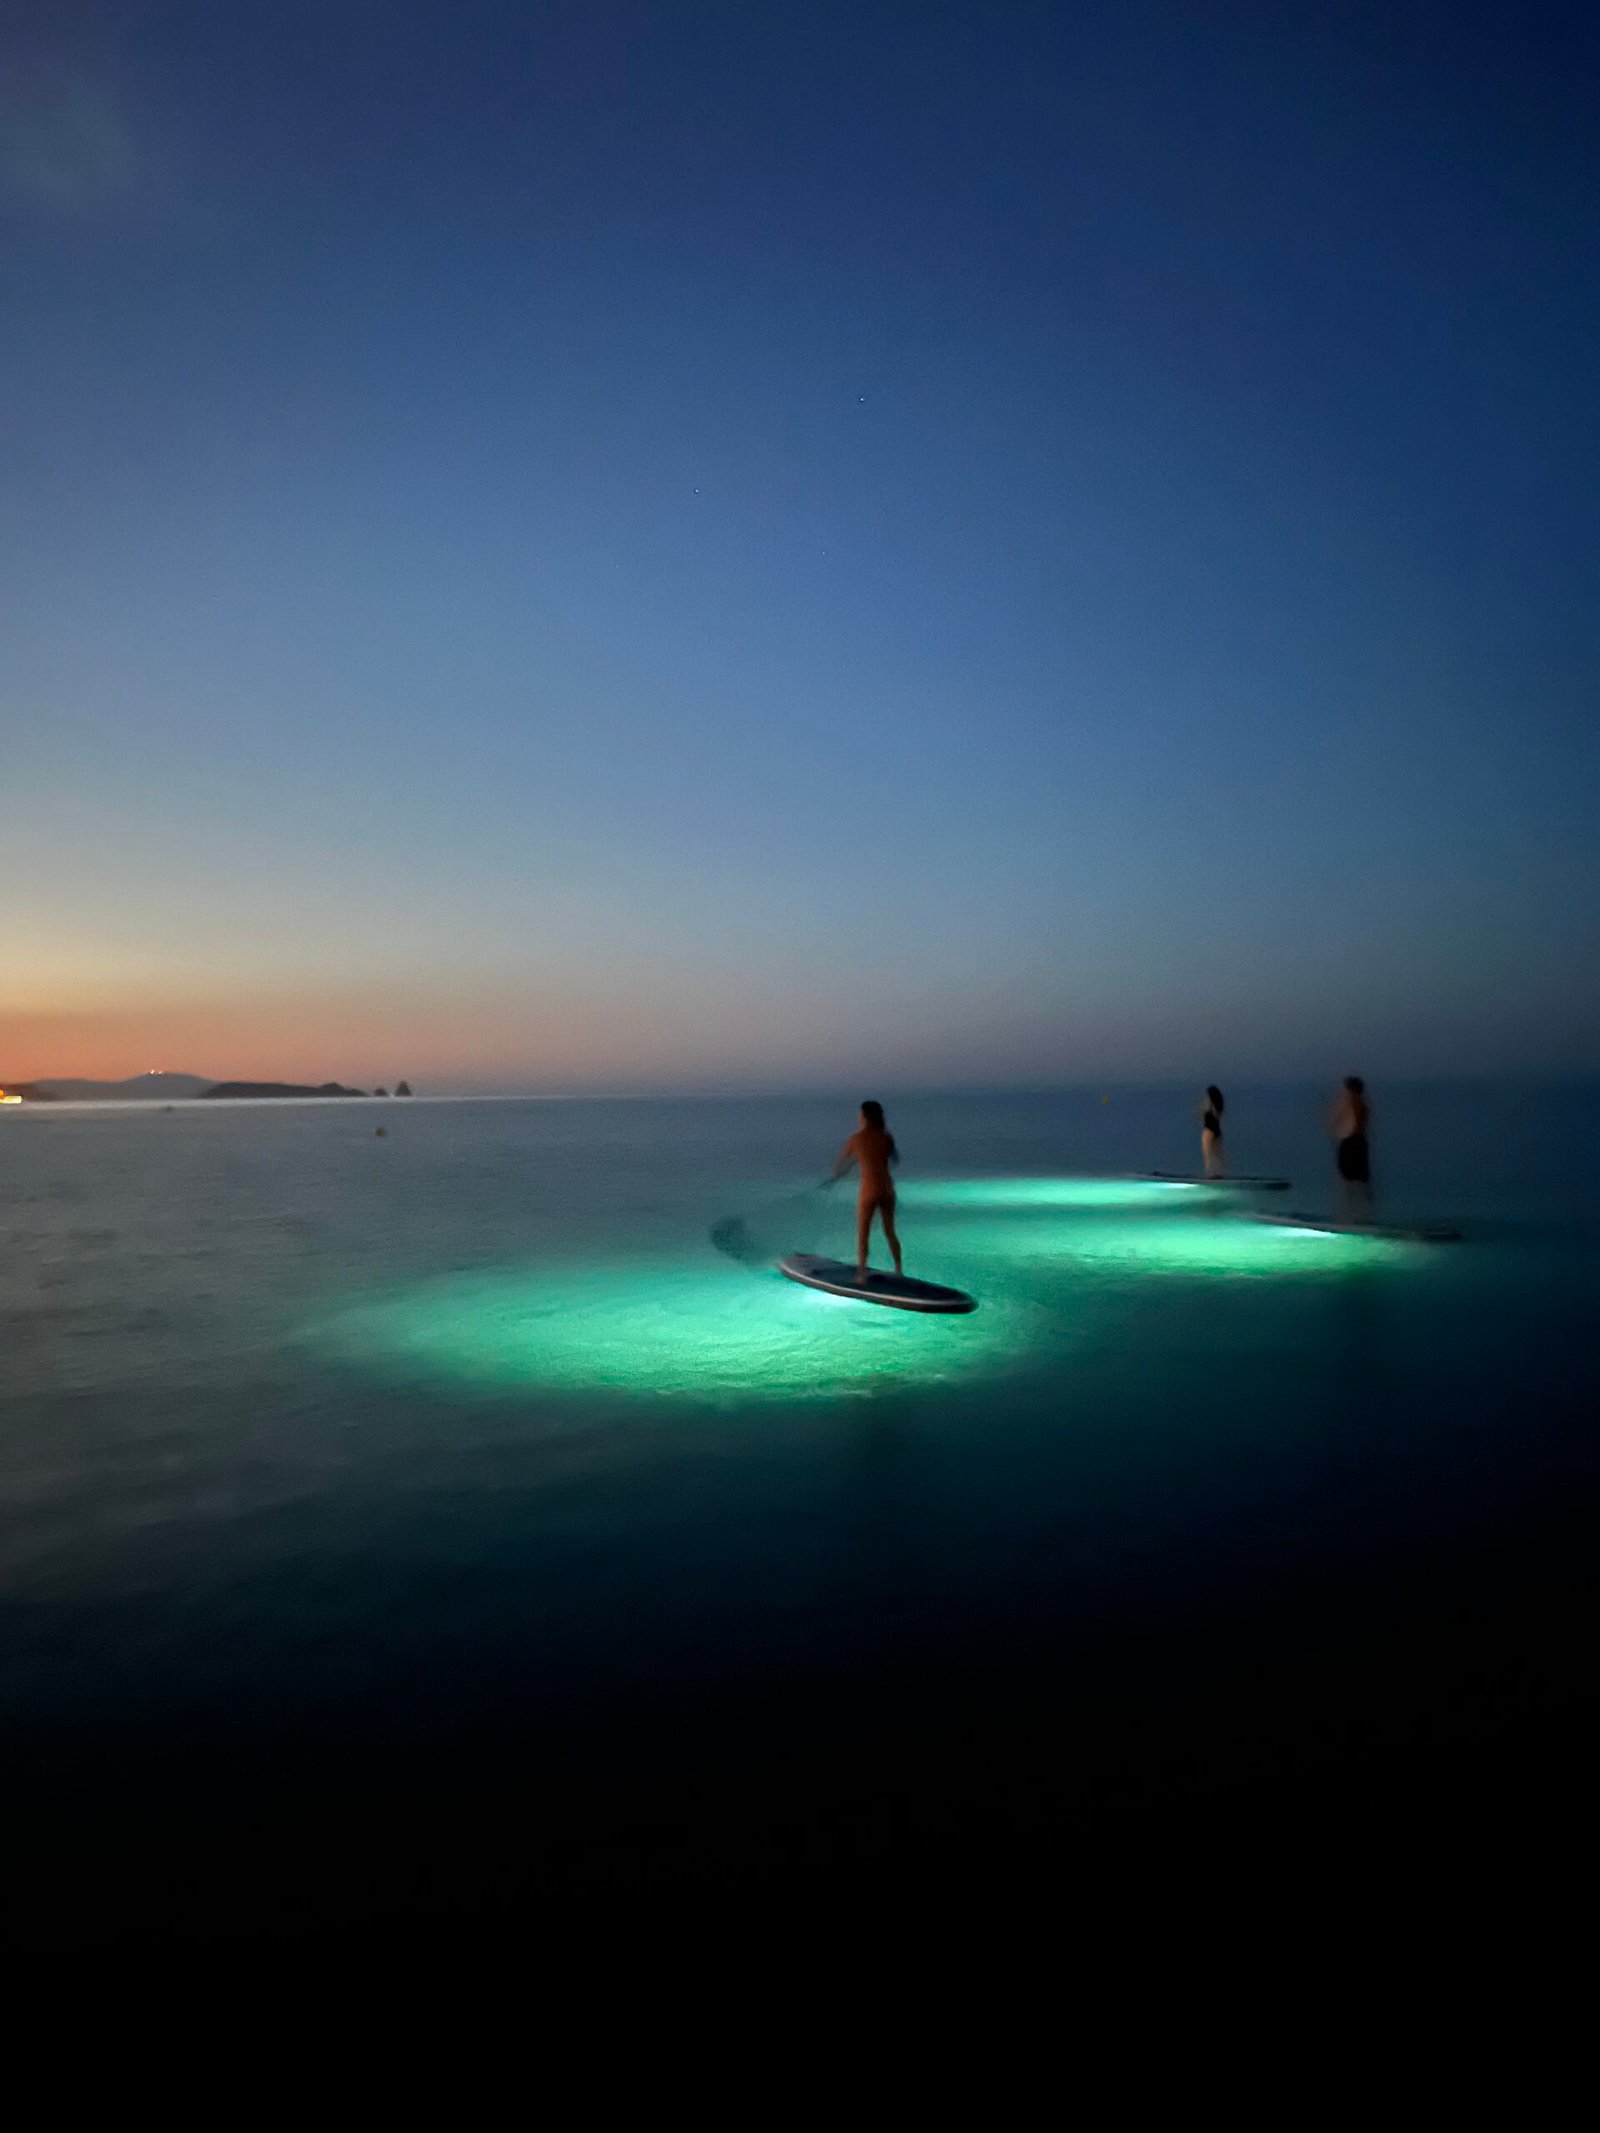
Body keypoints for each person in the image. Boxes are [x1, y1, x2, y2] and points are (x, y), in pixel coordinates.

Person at [827, 1100, 902, 1282]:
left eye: (860, 1114)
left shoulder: (856, 1139)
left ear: (865, 1117)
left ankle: (861, 1274)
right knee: (890, 1231)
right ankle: (898, 1270)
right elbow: (893, 1159)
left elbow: (840, 1167)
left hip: (869, 1191)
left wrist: (837, 1175)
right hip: (887, 1190)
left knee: (863, 1233)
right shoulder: (886, 1137)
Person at [1330, 1075, 1373, 1219]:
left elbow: (1352, 1125)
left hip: (1353, 1142)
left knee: (1351, 1176)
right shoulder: (1359, 1104)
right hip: (1356, 1141)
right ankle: (1359, 1212)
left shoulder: (1355, 1103)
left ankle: (1352, 1213)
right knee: (1358, 1177)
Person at [1199, 1084, 1226, 1178]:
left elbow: (1202, 1113)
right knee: (1217, 1154)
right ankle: (1217, 1173)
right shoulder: (1218, 1108)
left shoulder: (1208, 1106)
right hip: (1217, 1130)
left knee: (1208, 1154)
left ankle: (1209, 1174)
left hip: (1208, 1130)